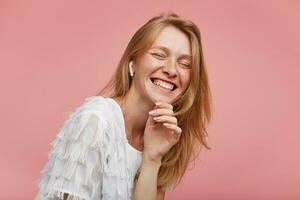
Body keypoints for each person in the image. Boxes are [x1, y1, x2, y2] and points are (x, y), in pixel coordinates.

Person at [35, 11, 212, 200]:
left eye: (185, 64)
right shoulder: (94, 122)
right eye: (159, 55)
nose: (171, 70)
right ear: (132, 63)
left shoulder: (163, 134)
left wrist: (152, 158)